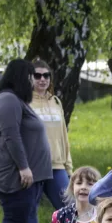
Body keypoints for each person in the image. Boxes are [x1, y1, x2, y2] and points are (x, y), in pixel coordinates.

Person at [0, 58, 53, 223]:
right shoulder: (8, 100)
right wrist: (24, 167)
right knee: (14, 217)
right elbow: (11, 136)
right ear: (23, 76)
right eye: (32, 76)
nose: (34, 81)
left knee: (21, 216)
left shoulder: (15, 100)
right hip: (11, 172)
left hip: (22, 172)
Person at [29, 60, 73, 212]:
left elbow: (63, 136)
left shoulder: (55, 102)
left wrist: (69, 167)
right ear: (30, 78)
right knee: (29, 213)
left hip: (57, 166)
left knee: (70, 210)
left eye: (46, 75)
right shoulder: (24, 102)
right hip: (34, 167)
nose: (42, 79)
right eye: (38, 75)